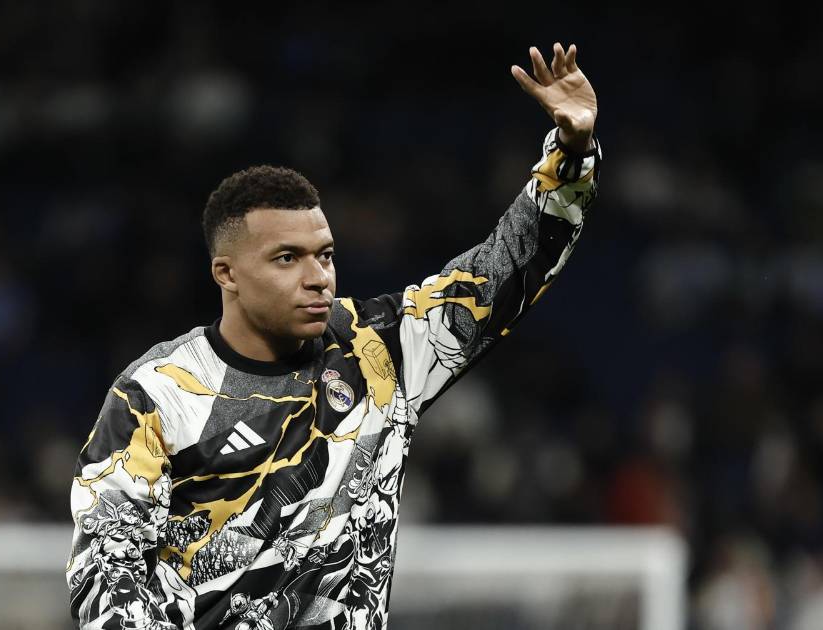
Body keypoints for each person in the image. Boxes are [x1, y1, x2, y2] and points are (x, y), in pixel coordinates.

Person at [66, 41, 601, 630]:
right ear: (227, 274)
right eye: (287, 258)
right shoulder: (157, 393)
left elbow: (505, 269)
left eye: (325, 255)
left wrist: (571, 153)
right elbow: (105, 582)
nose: (318, 277)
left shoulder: (380, 351)